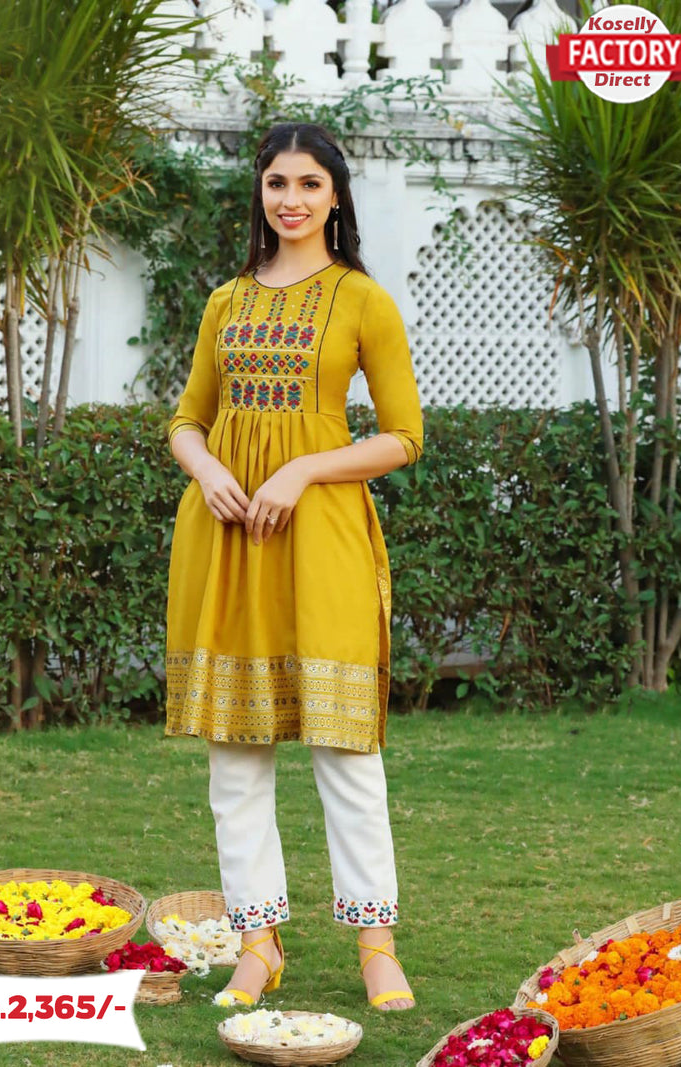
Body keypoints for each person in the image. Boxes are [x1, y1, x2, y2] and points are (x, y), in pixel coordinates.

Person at [164, 122, 423, 1012]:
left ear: (336, 196)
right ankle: (257, 943)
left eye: (310, 183)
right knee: (236, 755)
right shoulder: (226, 301)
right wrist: (207, 469)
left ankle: (376, 944)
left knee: (345, 747)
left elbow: (404, 436)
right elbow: (187, 418)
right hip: (229, 538)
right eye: (278, 182)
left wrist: (304, 467)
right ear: (261, 193)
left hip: (323, 539)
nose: (292, 199)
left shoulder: (362, 300)